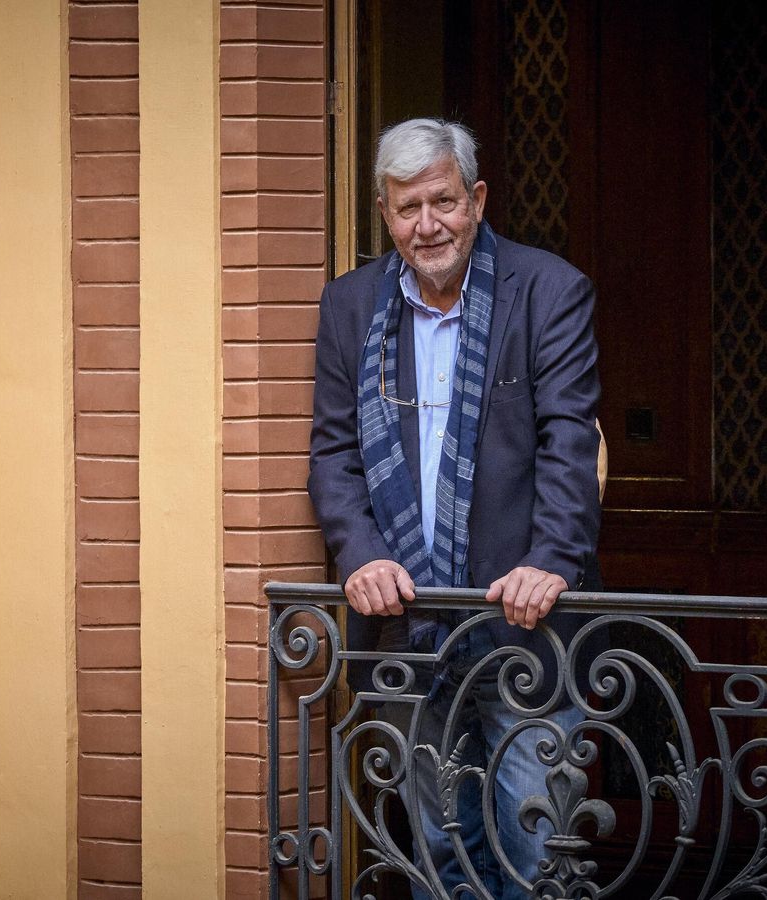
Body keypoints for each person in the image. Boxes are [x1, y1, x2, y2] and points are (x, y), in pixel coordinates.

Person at [307, 119, 601, 899]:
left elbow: (570, 441)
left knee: (539, 846)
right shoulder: (348, 306)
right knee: (442, 848)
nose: (427, 224)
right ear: (384, 212)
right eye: (408, 208)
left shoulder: (548, 290)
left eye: (443, 201)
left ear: (476, 199)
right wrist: (359, 552)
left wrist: (552, 560)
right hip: (410, 624)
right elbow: (333, 454)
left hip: (525, 627)